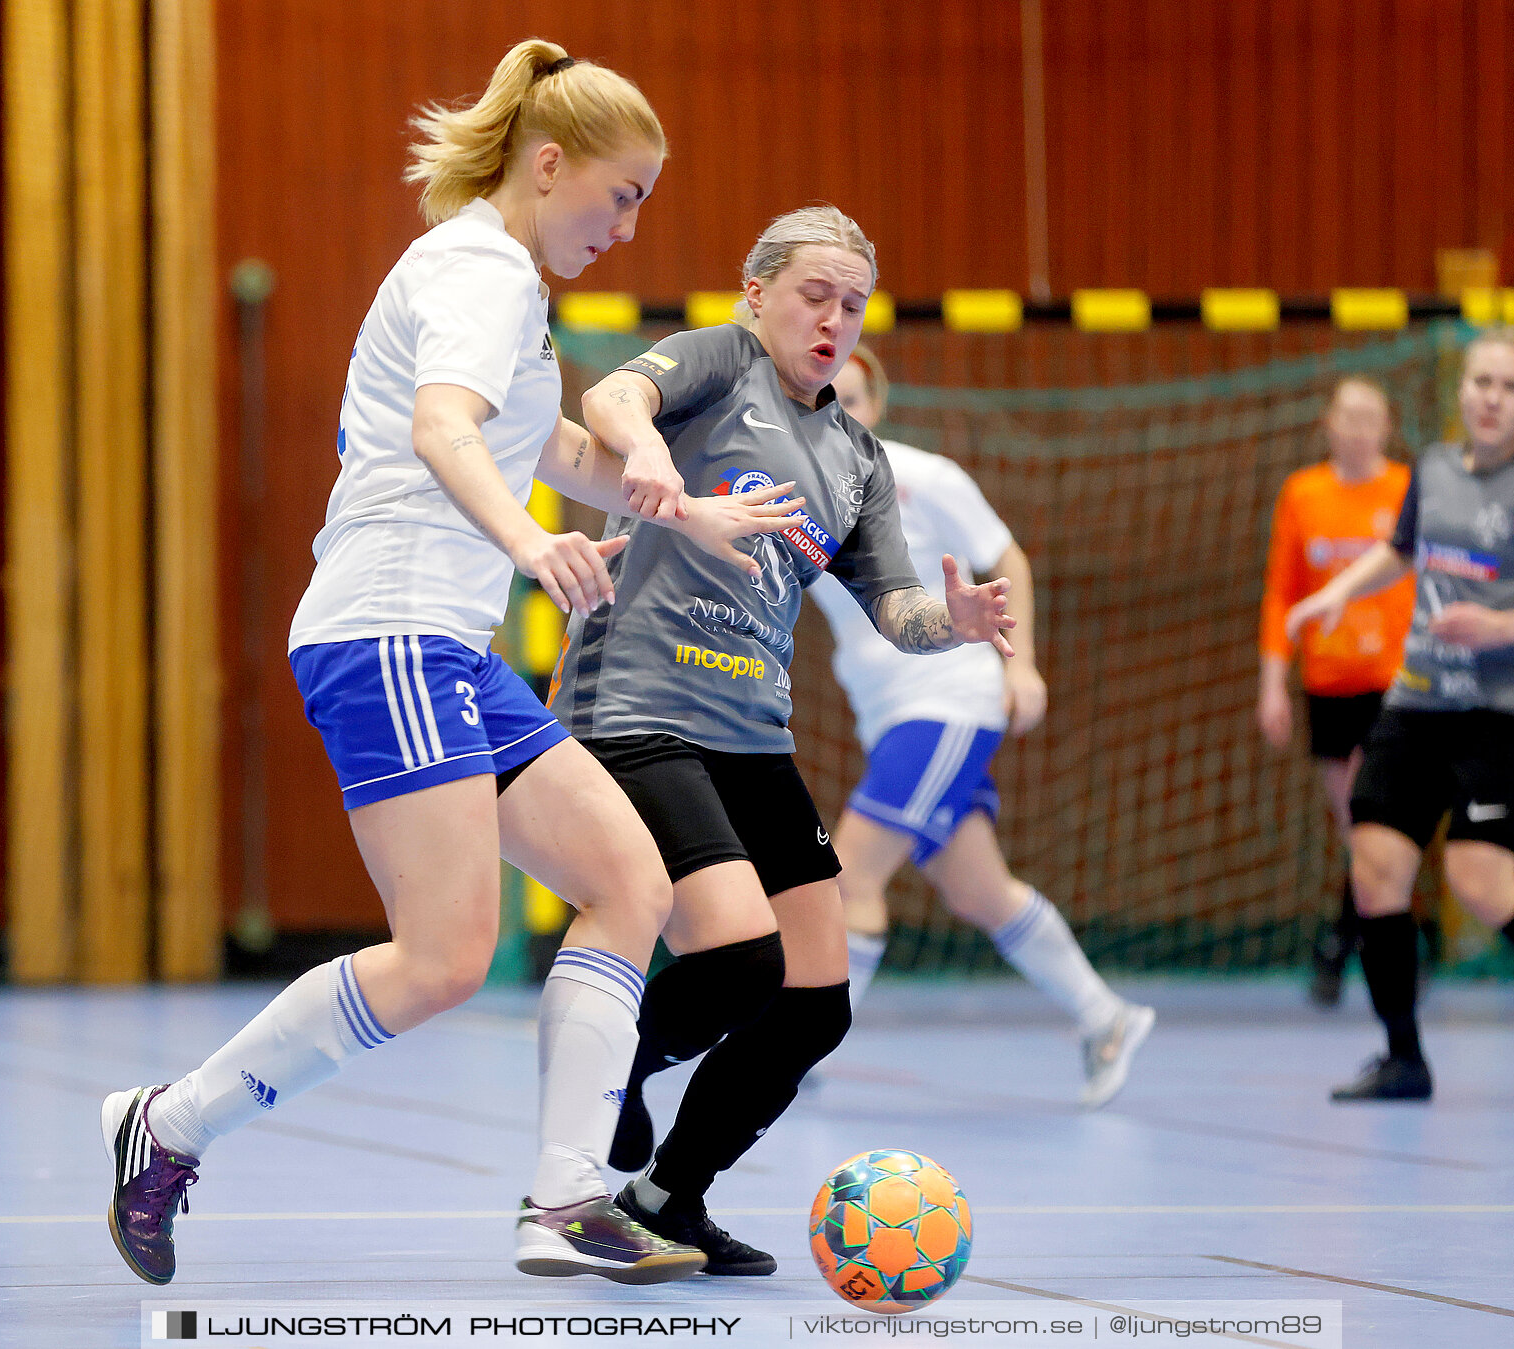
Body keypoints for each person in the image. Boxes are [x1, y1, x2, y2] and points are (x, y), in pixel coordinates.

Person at [100, 40, 801, 1287]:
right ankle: (167, 1125)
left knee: (628, 882)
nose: (631, 227)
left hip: (448, 648)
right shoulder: (478, 267)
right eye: (623, 193)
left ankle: (566, 1200)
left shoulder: (510, 292)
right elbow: (443, 431)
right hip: (390, 630)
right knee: (440, 960)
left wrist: (691, 510)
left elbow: (566, 456)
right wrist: (534, 545)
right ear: (550, 166)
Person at [548, 206, 1017, 1274]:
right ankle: (614, 1063)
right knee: (738, 954)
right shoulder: (721, 362)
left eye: (852, 303)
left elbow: (895, 609)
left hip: (752, 731)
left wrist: (960, 624)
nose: (833, 318)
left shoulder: (857, 458)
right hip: (640, 705)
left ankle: (669, 1196)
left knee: (816, 999)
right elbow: (610, 394)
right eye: (815, 292)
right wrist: (651, 448)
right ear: (756, 292)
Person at [1287, 324, 1514, 1102]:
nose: (1491, 397)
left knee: (1480, 880)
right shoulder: (1436, 469)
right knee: (1377, 868)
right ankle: (1404, 1057)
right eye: (1482, 382)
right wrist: (1338, 592)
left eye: (1510, 387)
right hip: (1416, 700)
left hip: (1499, 711)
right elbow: (1403, 547)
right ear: (1463, 391)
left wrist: (1504, 628)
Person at [808, 345, 1153, 1110]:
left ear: (879, 404)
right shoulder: (802, 494)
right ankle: (1107, 1015)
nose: (841, 411)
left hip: (948, 702)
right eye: (827, 397)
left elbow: (1009, 561)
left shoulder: (925, 479)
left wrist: (1019, 666)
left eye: (855, 398)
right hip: (889, 714)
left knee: (853, 877)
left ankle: (802, 1050)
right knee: (978, 888)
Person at [1258, 378, 1416, 1005]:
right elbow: (1281, 592)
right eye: (1346, 416)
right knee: (1359, 828)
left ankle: (1348, 946)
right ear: (1328, 422)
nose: (1356, 427)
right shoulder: (1304, 493)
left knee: (1382, 824)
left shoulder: (1407, 489)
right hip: (1329, 684)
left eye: (1369, 416)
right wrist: (1273, 683)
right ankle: (1370, 937)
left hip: (1398, 685)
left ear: (1386, 425)